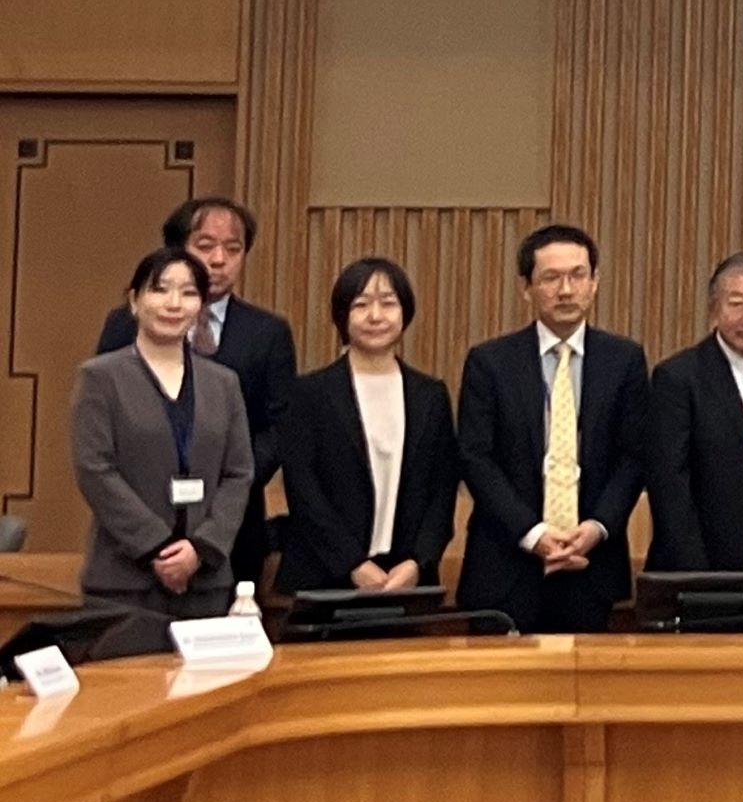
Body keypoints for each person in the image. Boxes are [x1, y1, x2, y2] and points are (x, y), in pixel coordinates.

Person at [455, 223, 648, 634]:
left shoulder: (624, 360)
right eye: (551, 278)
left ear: (594, 282)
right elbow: (475, 458)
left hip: (591, 565)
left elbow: (634, 457)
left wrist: (597, 527)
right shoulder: (490, 362)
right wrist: (533, 533)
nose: (566, 290)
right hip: (506, 566)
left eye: (578, 275)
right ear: (526, 287)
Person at [96, 196, 293, 582]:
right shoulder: (125, 325)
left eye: (233, 249)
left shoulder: (267, 333)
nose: (219, 260)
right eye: (205, 246)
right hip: (137, 526)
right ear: (177, 249)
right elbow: (105, 433)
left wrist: (223, 489)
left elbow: (279, 428)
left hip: (232, 531)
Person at [76, 248, 254, 624]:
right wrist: (156, 546)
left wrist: (201, 548)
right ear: (134, 300)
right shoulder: (101, 378)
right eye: (160, 290)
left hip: (206, 580)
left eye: (188, 293)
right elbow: (95, 469)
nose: (174, 303)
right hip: (124, 580)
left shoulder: (223, 383)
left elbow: (239, 473)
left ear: (201, 306)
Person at [281, 256, 459, 594]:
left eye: (388, 303)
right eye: (361, 304)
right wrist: (353, 564)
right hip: (326, 575)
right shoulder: (310, 393)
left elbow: (443, 489)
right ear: (342, 315)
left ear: (405, 312)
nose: (375, 316)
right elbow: (303, 489)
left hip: (406, 578)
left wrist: (418, 562)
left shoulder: (430, 395)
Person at [642, 252, 743, 581]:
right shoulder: (678, 378)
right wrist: (700, 580)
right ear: (714, 309)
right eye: (736, 303)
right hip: (700, 571)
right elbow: (670, 489)